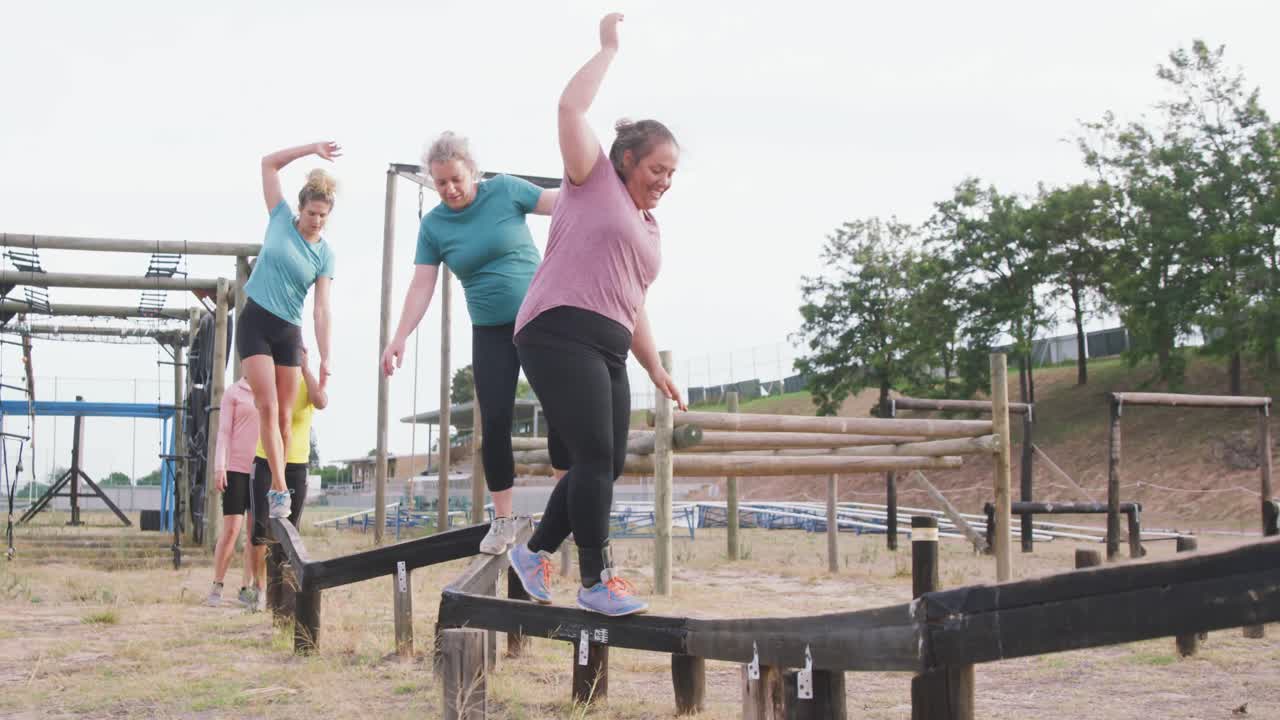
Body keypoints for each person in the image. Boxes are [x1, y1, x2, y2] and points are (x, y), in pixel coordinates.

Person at [507, 13, 685, 617]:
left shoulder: (649, 227)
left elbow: (632, 300)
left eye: (672, 174)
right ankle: (594, 580)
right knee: (589, 453)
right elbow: (569, 110)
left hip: (607, 342)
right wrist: (608, 49)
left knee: (604, 461)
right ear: (628, 160)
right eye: (657, 168)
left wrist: (656, 368)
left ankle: (534, 554)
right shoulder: (592, 179)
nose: (664, 181)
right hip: (556, 326)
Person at [381, 131, 567, 554]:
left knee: (560, 412)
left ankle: (565, 507)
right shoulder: (434, 226)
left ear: (473, 173)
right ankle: (502, 520)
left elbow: (560, 202)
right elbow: (421, 286)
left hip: (539, 320)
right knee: (495, 423)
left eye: (455, 180)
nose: (449, 189)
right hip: (490, 331)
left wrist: (596, 178)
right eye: (440, 182)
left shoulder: (504, 190)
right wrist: (399, 336)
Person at [238, 142, 337, 521]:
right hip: (256, 321)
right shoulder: (279, 217)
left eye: (323, 216)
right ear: (301, 208)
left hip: (288, 331)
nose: (316, 221)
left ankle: (281, 485)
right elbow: (268, 163)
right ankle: (278, 488)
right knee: (267, 406)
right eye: (312, 213)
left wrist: (326, 355)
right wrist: (311, 148)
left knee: (284, 417)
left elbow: (322, 308)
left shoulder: (325, 254)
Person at [247, 346, 327, 605]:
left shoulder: (306, 382)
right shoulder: (273, 380)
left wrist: (305, 368)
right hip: (267, 460)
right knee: (261, 529)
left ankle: (284, 592)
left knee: (290, 530)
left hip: (296, 463)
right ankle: (260, 589)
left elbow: (321, 401)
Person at [204, 376, 259, 608]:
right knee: (232, 530)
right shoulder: (234, 392)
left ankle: (247, 587)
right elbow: (224, 432)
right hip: (235, 469)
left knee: (254, 533)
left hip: (260, 469)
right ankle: (218, 583)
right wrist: (220, 467)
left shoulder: (270, 387)